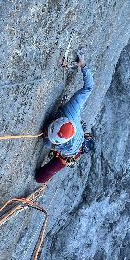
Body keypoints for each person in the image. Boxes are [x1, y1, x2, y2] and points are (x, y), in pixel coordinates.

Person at [35, 54, 94, 184]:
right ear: (59, 118)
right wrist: (83, 65)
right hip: (77, 135)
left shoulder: (65, 148)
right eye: (48, 130)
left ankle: (81, 135)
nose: (44, 131)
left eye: (47, 133)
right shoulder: (71, 109)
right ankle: (81, 132)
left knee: (40, 178)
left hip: (71, 152)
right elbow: (89, 87)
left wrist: (50, 143)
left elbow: (48, 143)